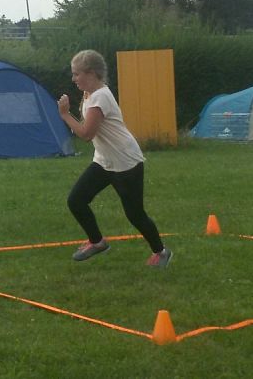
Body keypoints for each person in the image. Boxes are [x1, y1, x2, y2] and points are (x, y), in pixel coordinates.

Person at [57, 49, 172, 267]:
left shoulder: (100, 97)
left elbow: (86, 134)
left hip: (125, 162)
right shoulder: (90, 94)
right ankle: (97, 242)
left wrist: (64, 114)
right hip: (104, 161)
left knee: (135, 214)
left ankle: (161, 252)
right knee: (76, 200)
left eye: (77, 74)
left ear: (91, 73)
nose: (73, 79)